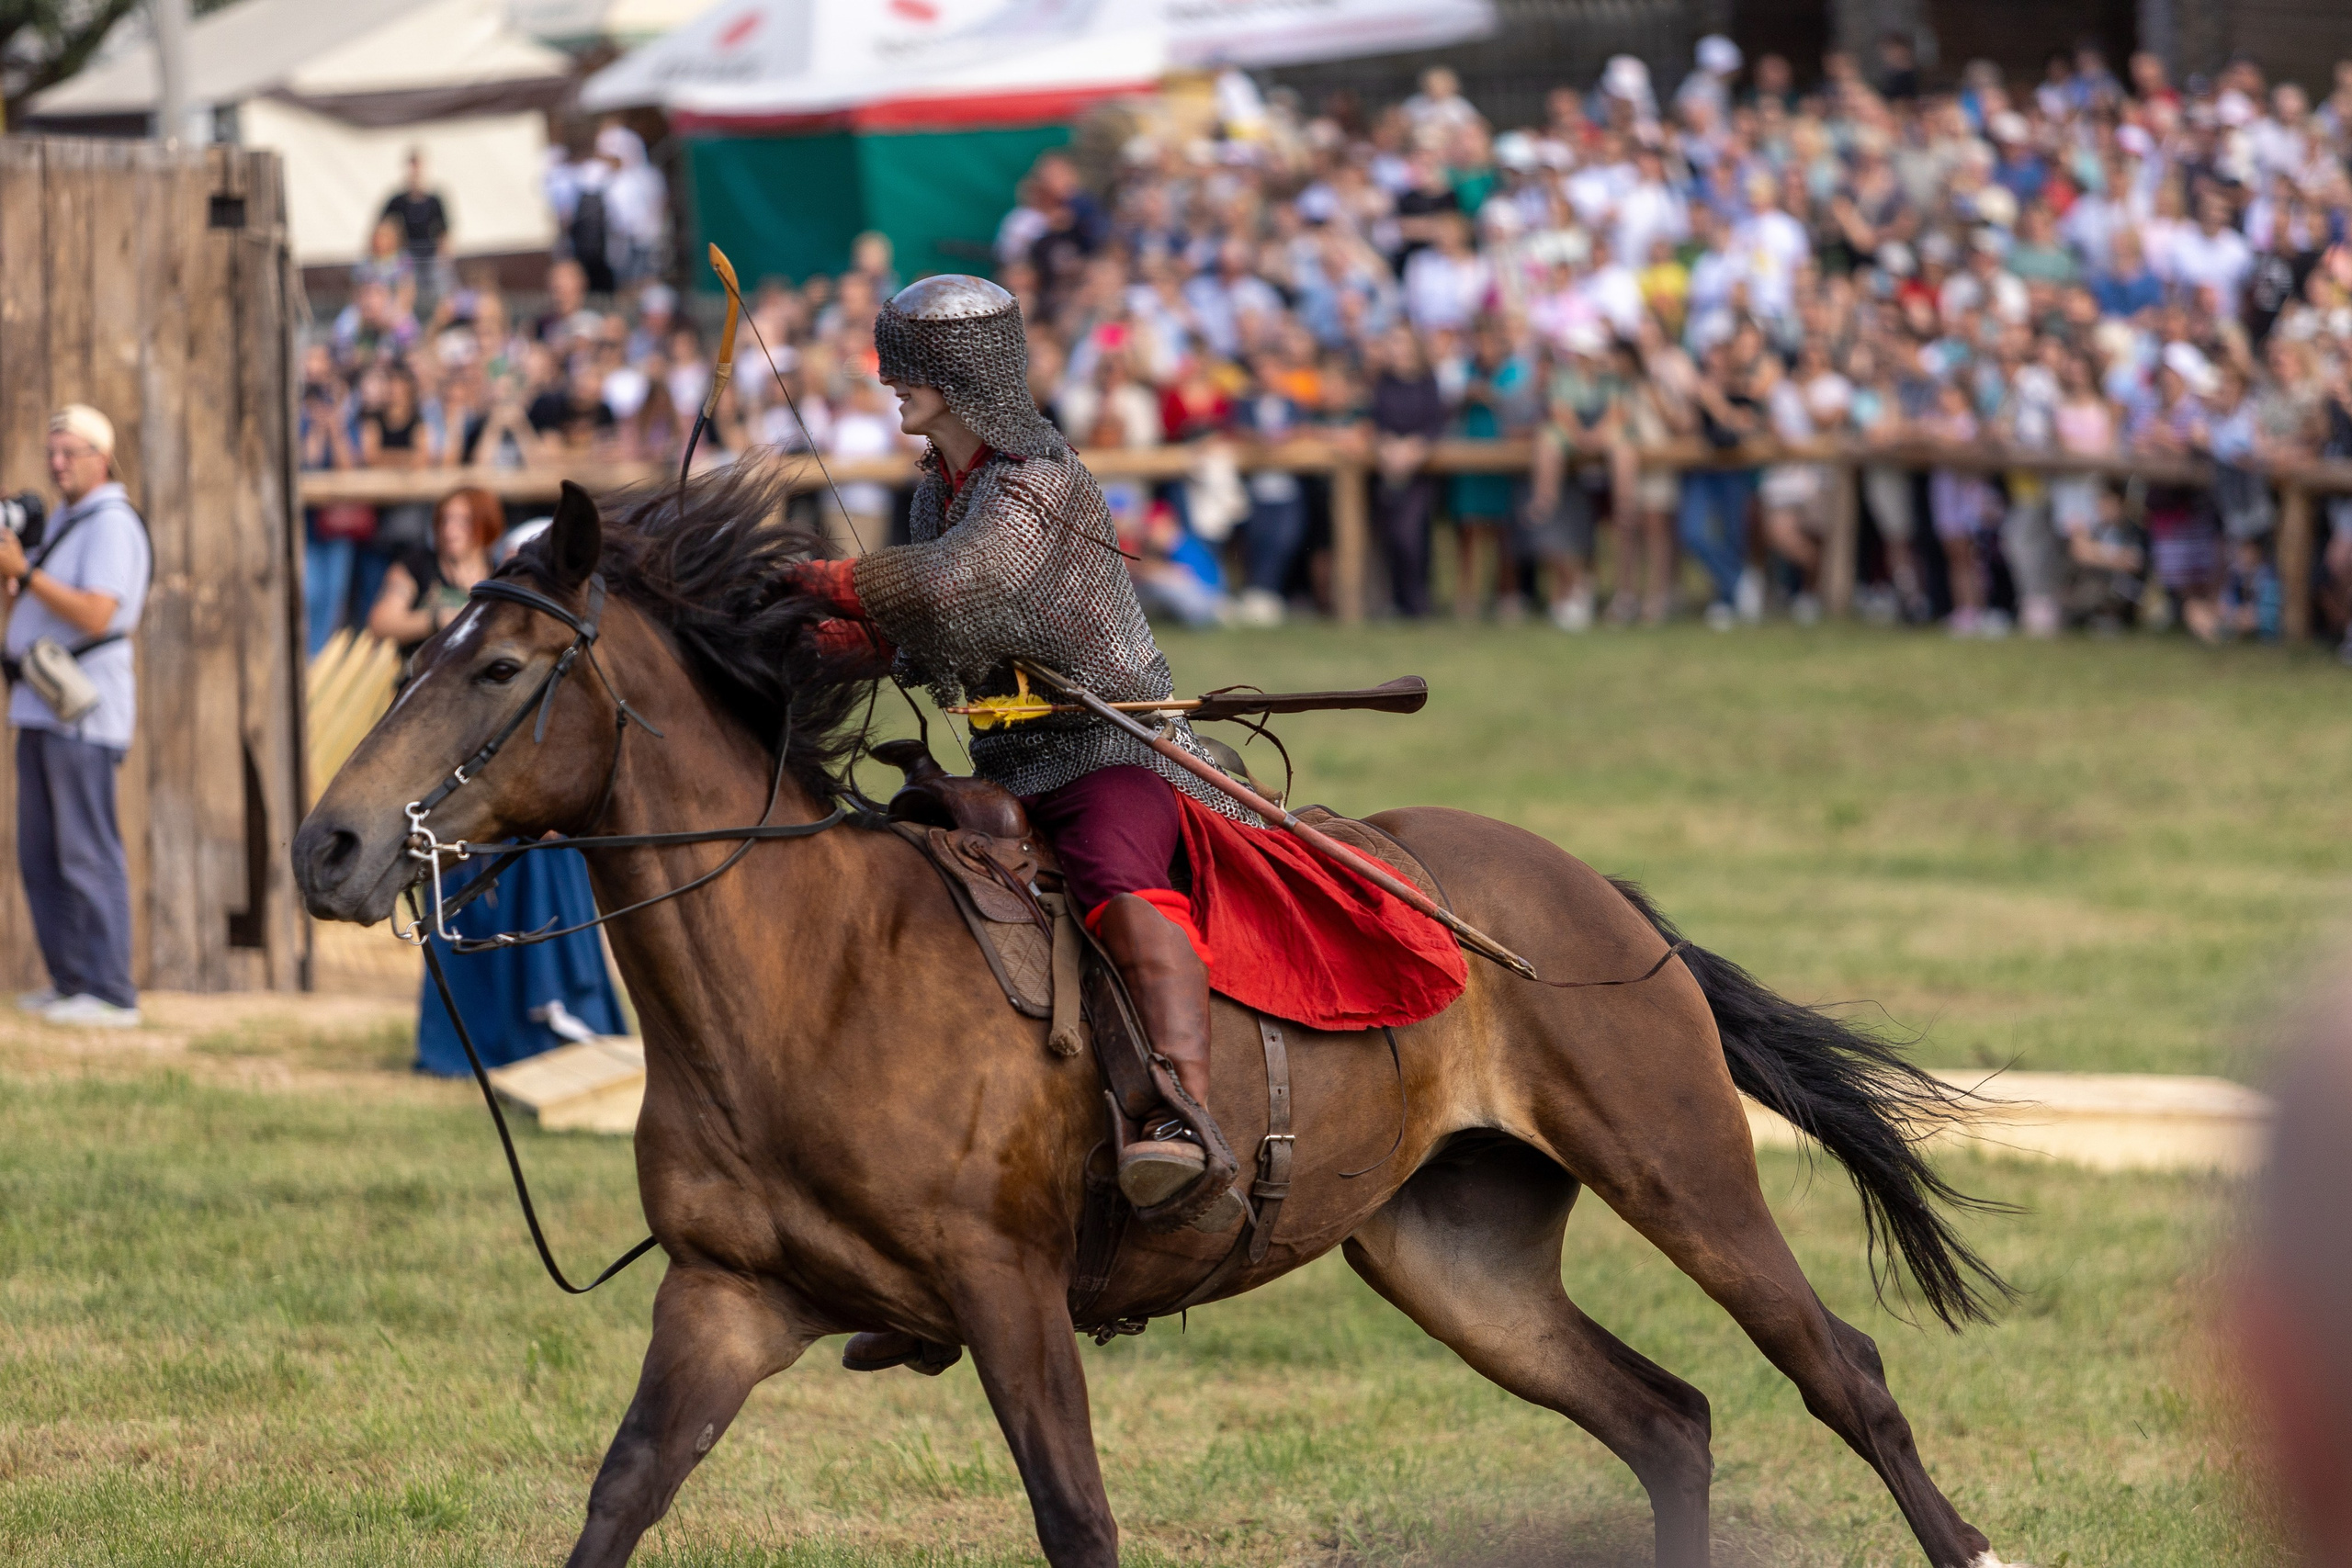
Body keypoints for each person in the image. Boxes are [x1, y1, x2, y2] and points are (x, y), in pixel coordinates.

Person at [781, 276, 1252, 1229]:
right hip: (1005, 769)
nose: (889, 385)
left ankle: (1178, 1109)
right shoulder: (937, 495)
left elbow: (958, 585)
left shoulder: (1039, 482)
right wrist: (793, 641)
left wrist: (811, 575)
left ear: (959, 374)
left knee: (1115, 873)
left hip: (1109, 752)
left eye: (907, 367)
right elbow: (925, 637)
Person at [0, 406, 153, 1027]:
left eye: (70, 452)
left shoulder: (112, 523)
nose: (58, 464)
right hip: (40, 705)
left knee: (87, 850)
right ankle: (71, 980)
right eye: (52, 452)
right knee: (41, 851)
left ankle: (112, 989)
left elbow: (97, 613)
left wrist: (26, 572)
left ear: (102, 456)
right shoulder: (66, 519)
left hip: (83, 709)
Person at [366, 487, 499, 661]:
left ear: (485, 524)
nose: (450, 530)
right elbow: (380, 625)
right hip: (417, 674)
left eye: (463, 521)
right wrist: (434, 621)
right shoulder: (417, 564)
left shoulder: (499, 577)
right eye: (445, 520)